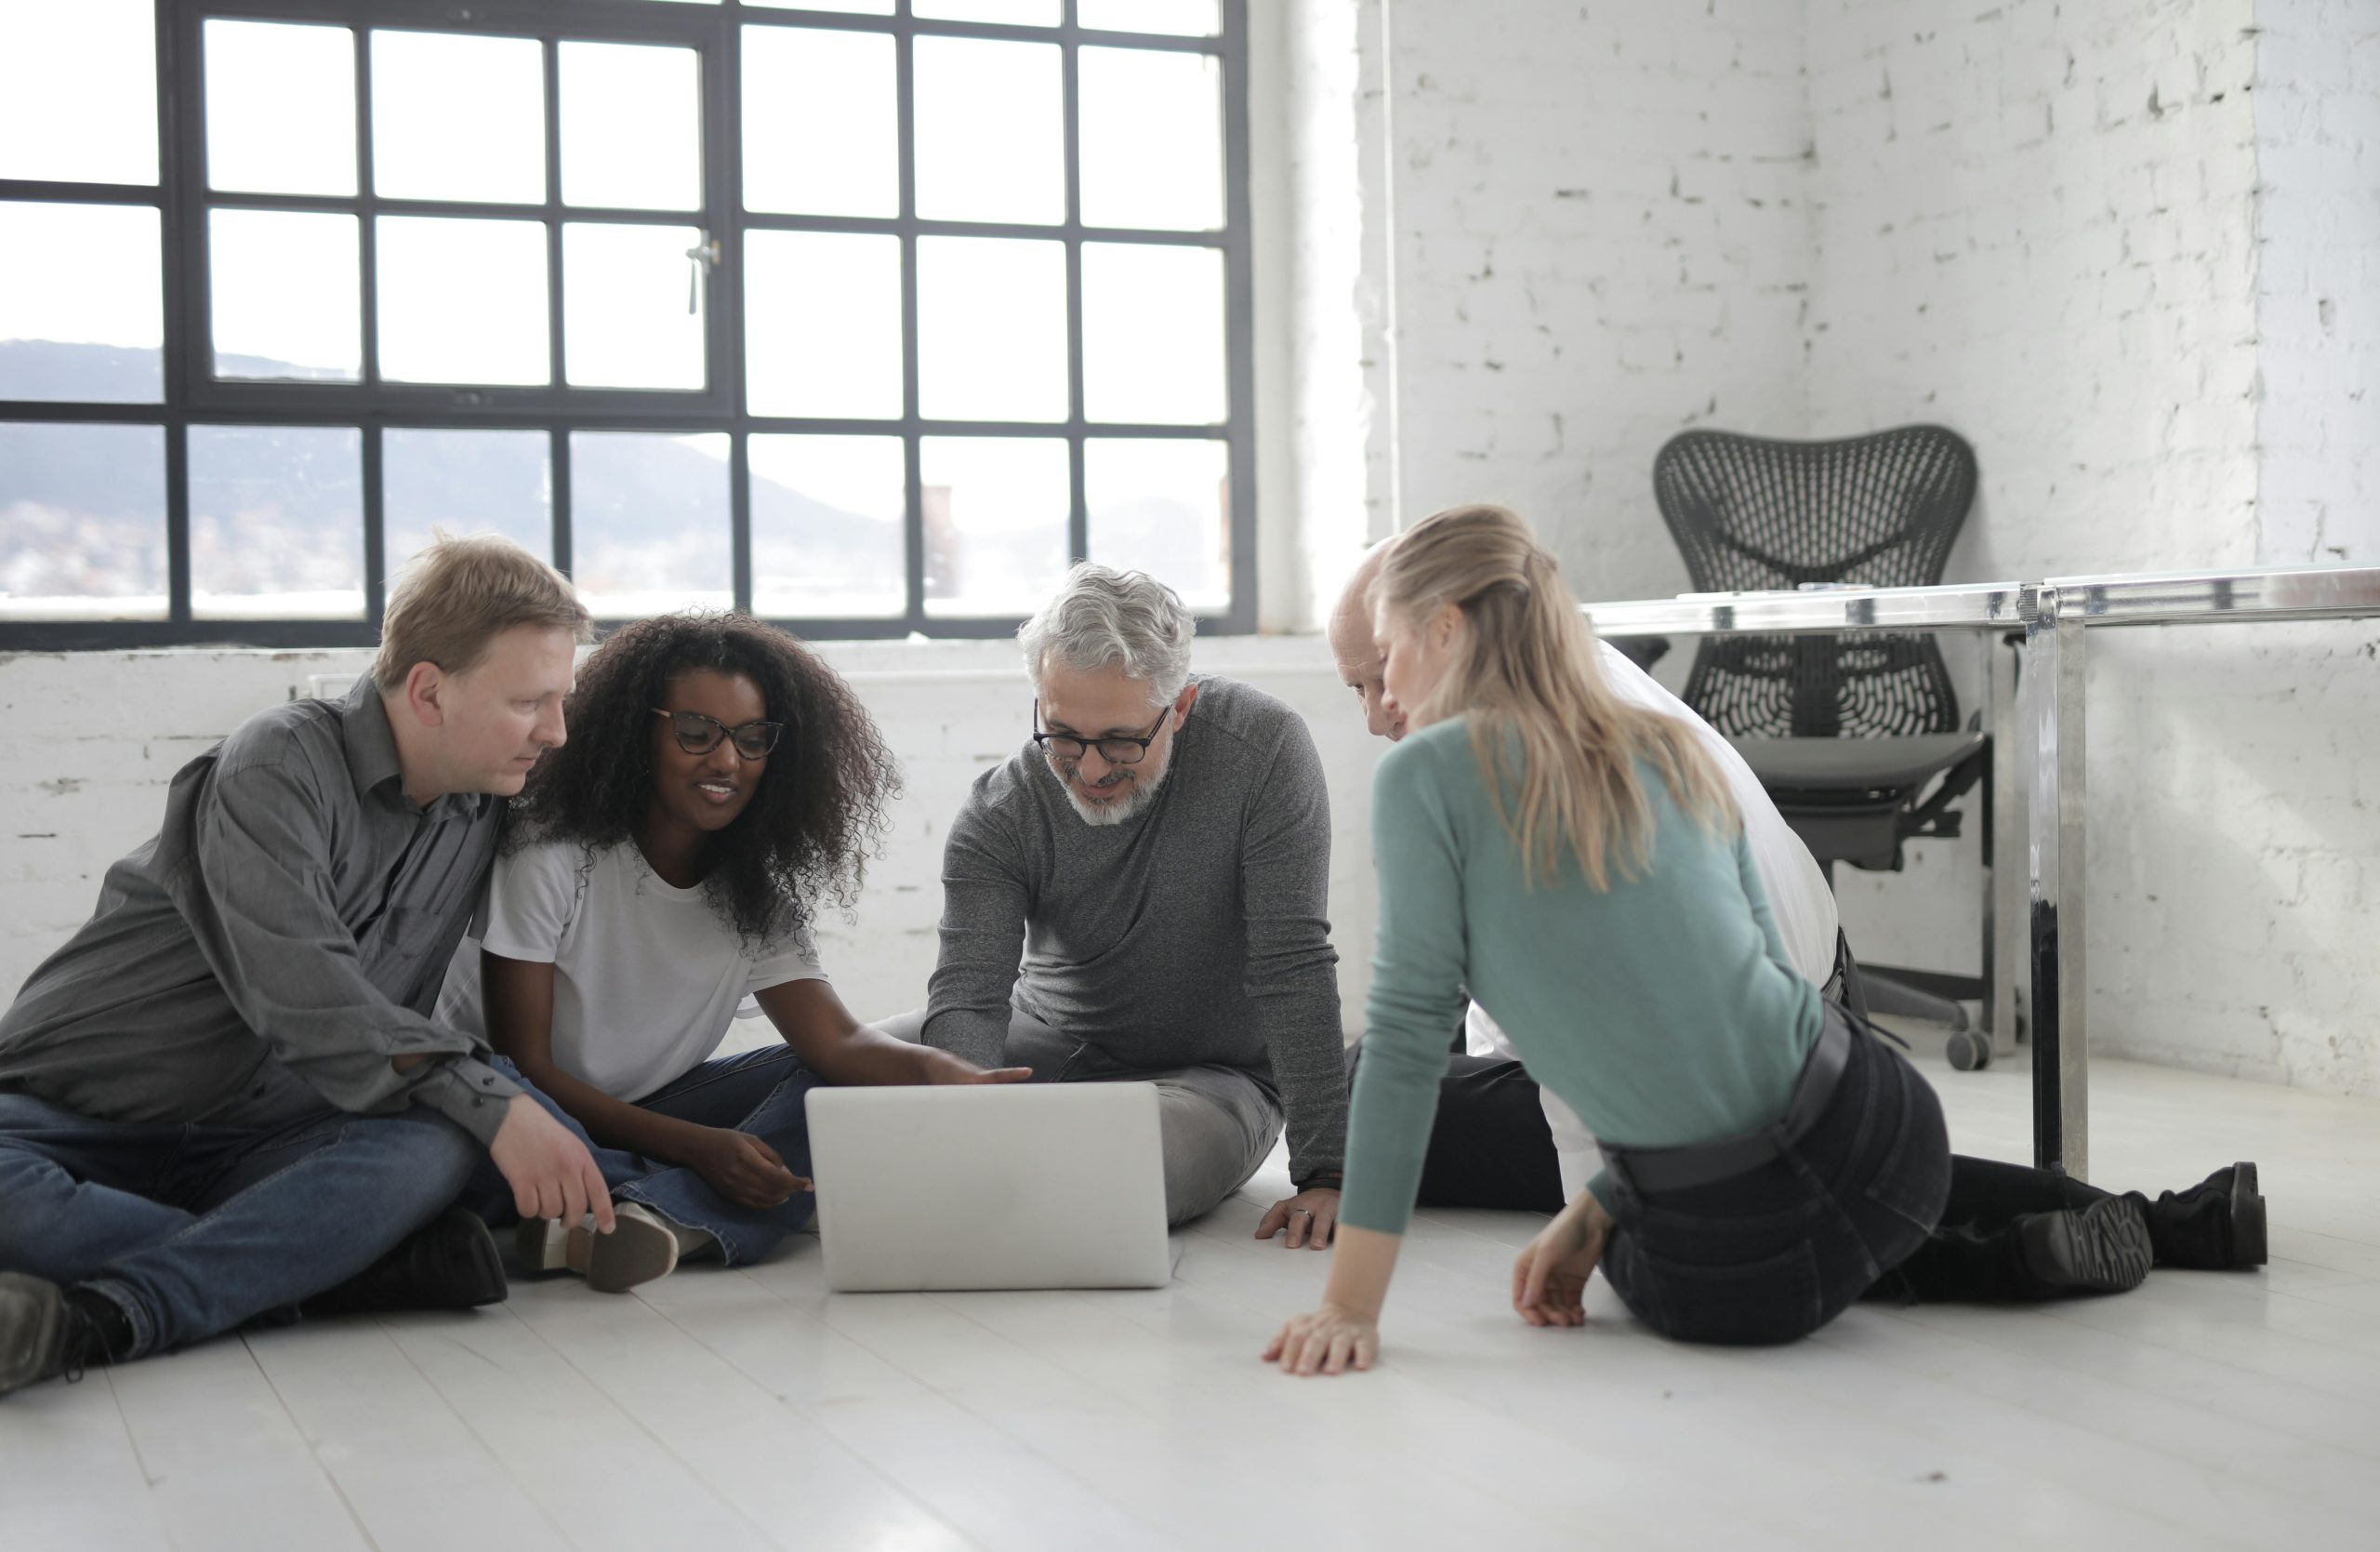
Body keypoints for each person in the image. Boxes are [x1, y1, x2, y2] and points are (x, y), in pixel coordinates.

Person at [1266, 505, 2264, 1375]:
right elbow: (1725, 979)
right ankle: (2153, 1217)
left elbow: (1442, 1051)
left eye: (1381, 665)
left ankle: (1987, 1261)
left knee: (1401, 1099)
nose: (1376, 709)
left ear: (1443, 629)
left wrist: (1375, 1295)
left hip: (1724, 1210)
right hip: (1878, 1103)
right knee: (1779, 1153)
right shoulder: (1652, 735)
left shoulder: (1429, 782)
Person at [0, 536, 616, 1399]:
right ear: (430, 690)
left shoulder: (488, 804)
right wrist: (499, 1099)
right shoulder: (277, 763)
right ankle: (337, 1274)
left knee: (436, 1143)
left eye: (563, 700)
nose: (555, 730)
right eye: (531, 702)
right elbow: (309, 1000)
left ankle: (123, 1305)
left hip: (265, 1144)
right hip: (70, 1117)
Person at [439, 613, 1029, 1293]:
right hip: (511, 1107)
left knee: (829, 1089)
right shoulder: (551, 853)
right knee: (467, 1149)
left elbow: (838, 1042)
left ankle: (636, 1215)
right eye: (696, 732)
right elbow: (527, 1066)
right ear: (638, 730)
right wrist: (698, 1147)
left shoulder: (752, 900)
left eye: (753, 740)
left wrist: (945, 1076)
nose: (727, 761)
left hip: (642, 1110)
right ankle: (657, 1207)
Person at [1329, 538, 1838, 1211]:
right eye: (1355, 688)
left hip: (1703, 1093)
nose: (1373, 716)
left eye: (1381, 673)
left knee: (1368, 1083)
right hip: (1829, 1025)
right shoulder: (1582, 673)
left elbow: (1559, 1041)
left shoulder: (1513, 766)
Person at [875, 563, 1349, 1244]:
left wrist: (1327, 1172)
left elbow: (1292, 963)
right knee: (839, 1065)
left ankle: (983, 1183)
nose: (1091, 768)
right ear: (1039, 697)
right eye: (1064, 734)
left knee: (1130, 1159)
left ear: (1180, 707)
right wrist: (958, 1119)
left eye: (1123, 741)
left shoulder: (1262, 751)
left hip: (1212, 1081)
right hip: (1040, 1040)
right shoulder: (1002, 809)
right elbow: (971, 999)